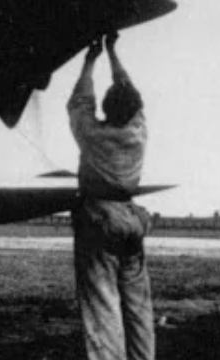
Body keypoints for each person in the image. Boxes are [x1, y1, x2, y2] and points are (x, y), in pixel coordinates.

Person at [67, 32, 155, 360]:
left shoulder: (92, 134)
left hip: (100, 219)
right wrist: (114, 54)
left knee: (103, 307)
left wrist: (91, 59)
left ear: (106, 109)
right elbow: (132, 96)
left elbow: (79, 102)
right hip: (132, 220)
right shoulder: (138, 132)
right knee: (138, 308)